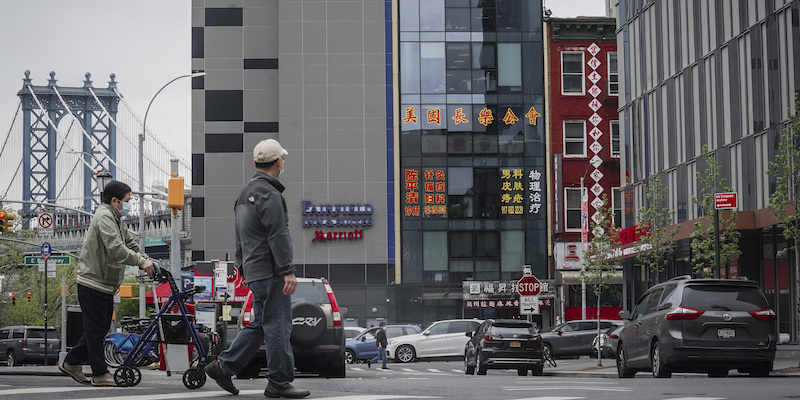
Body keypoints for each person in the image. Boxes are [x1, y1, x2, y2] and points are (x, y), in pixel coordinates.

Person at [205, 139, 309, 398]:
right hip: (271, 271)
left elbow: (240, 236)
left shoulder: (244, 195)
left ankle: (224, 365)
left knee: (262, 323)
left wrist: (242, 267)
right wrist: (287, 270)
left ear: (254, 163)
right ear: (280, 162)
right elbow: (278, 235)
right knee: (278, 326)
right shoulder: (271, 195)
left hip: (253, 270)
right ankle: (279, 382)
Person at [59, 180, 155, 386]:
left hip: (104, 283)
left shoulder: (116, 218)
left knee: (100, 328)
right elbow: (116, 249)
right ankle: (100, 373)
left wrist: (146, 259)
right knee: (96, 330)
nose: (129, 205)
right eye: (127, 201)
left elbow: (129, 243)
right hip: (93, 282)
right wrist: (140, 262)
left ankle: (72, 362)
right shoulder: (104, 217)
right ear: (114, 201)